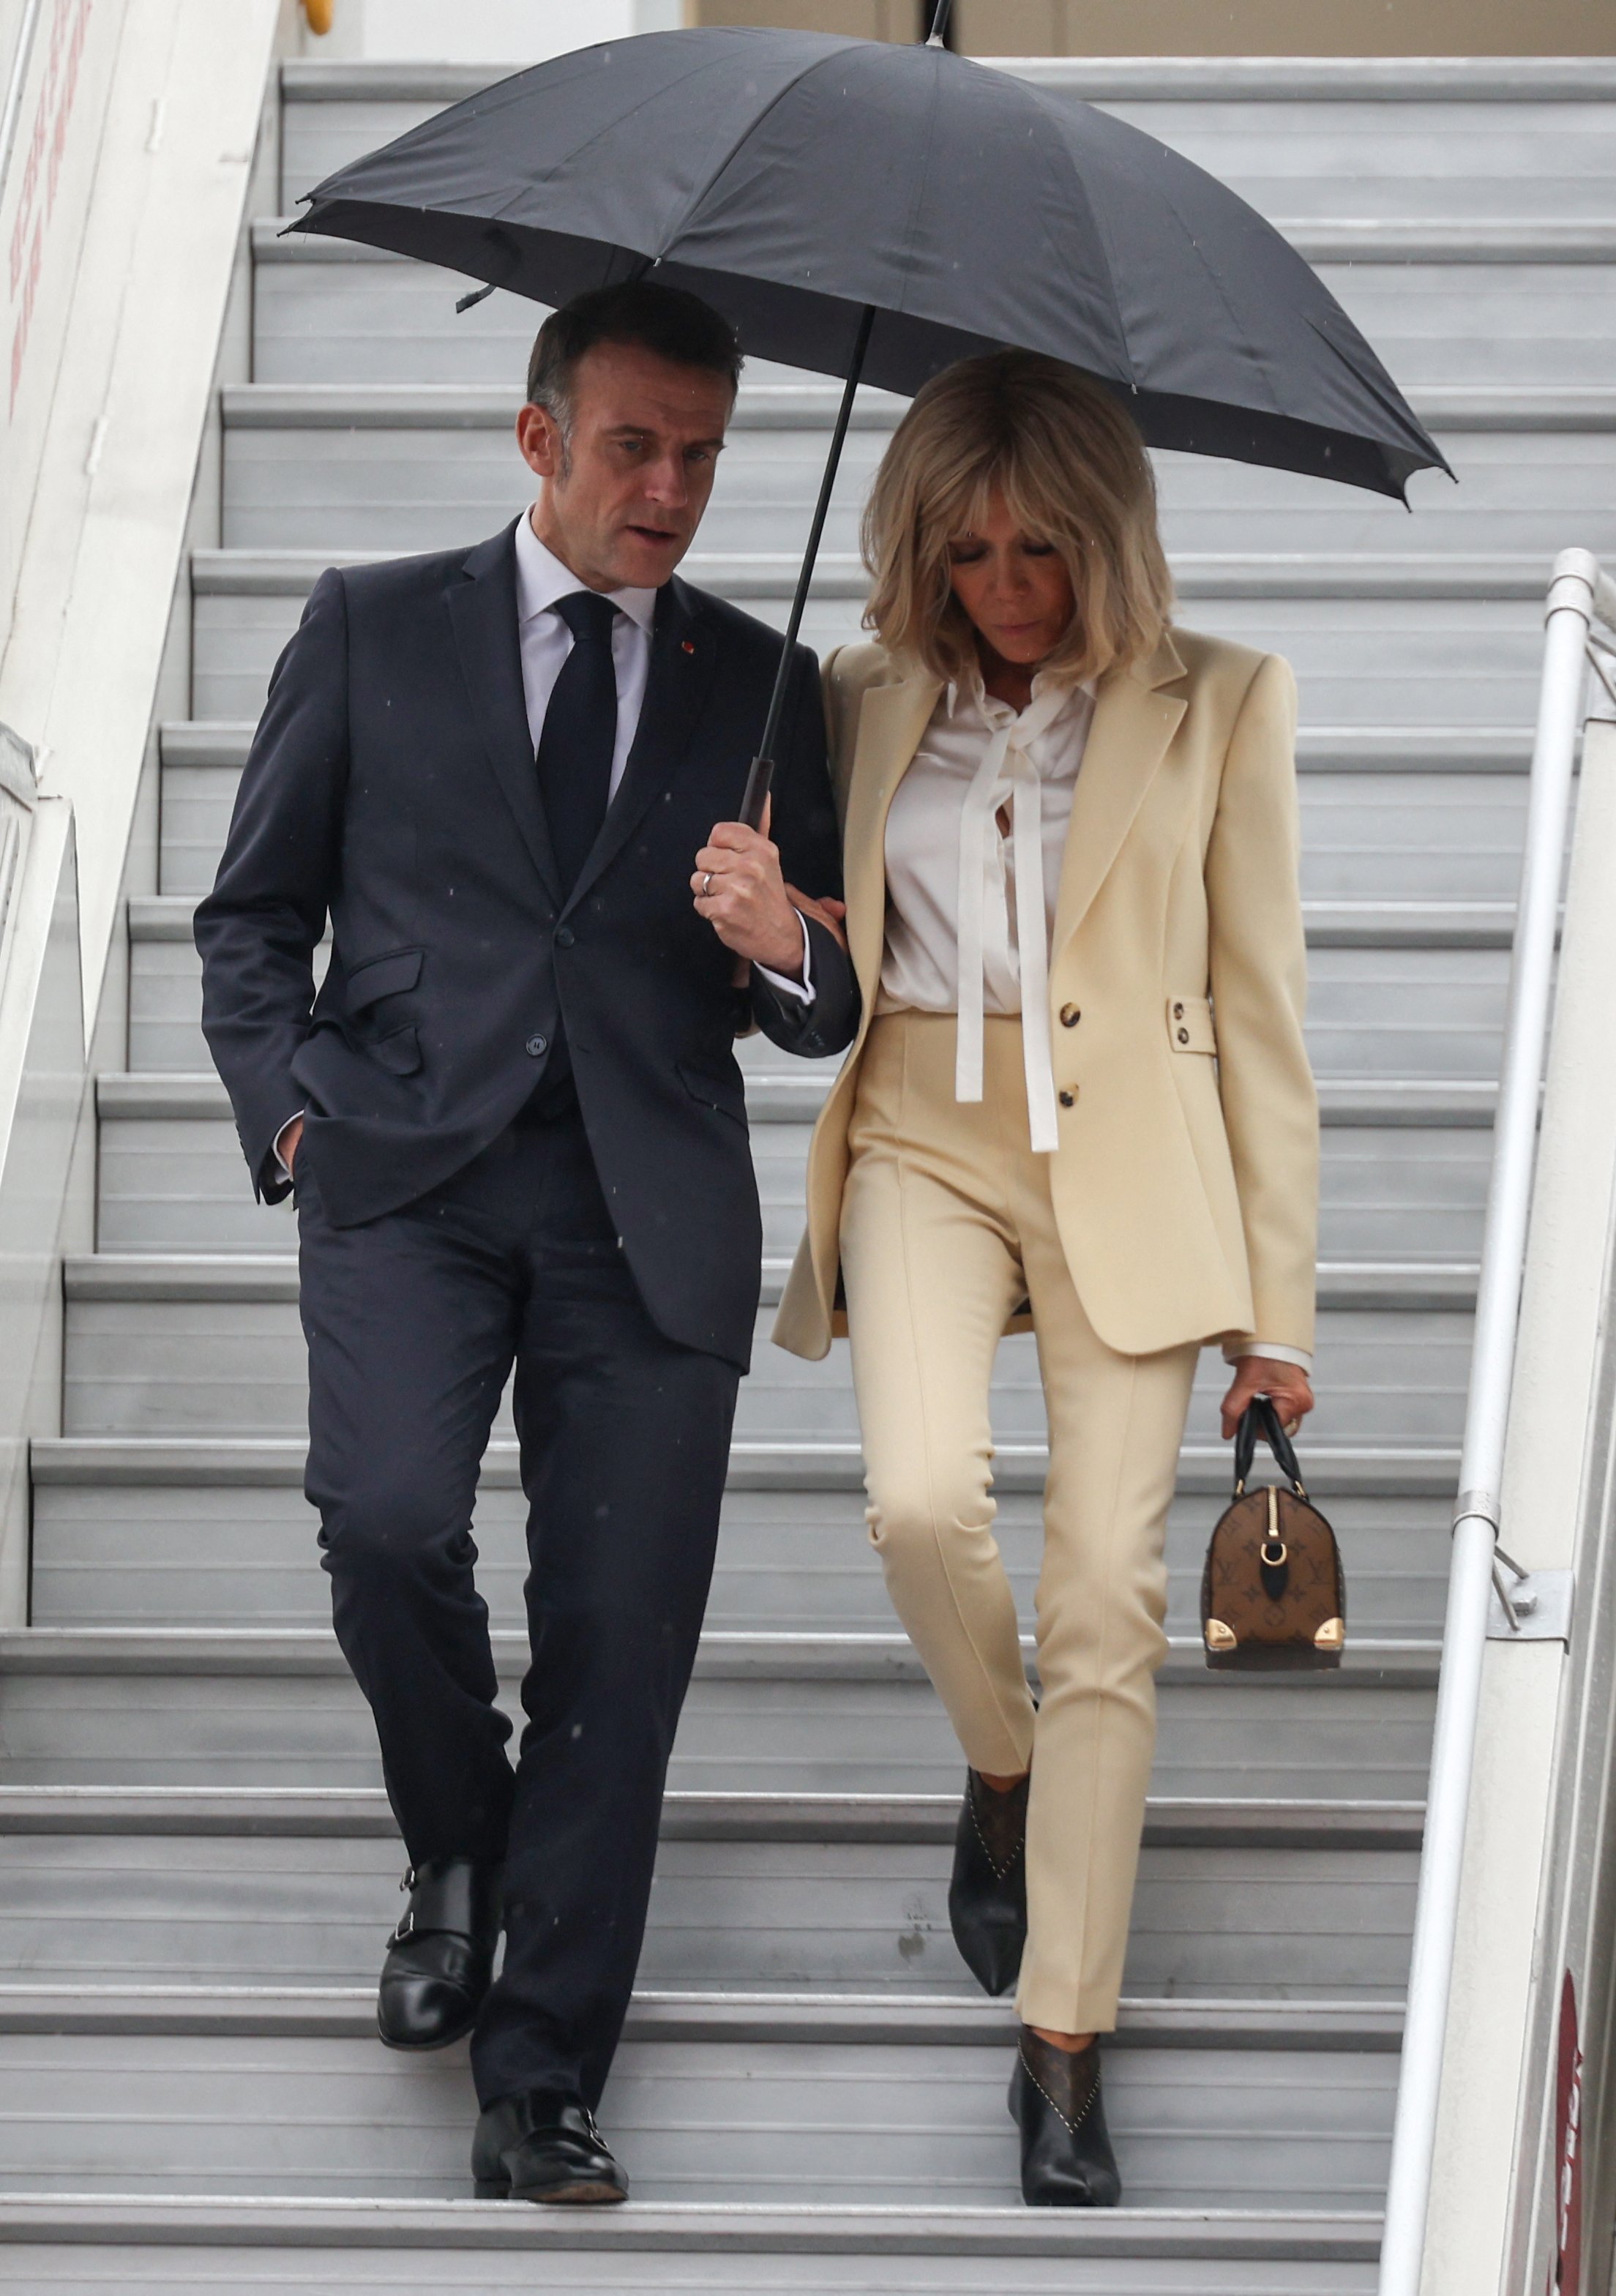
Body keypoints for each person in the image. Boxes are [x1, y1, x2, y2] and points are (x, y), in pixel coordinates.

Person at [195, 280, 858, 2205]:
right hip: (407, 1171)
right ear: (539, 435)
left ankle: (542, 2073)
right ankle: (461, 1843)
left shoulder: (765, 686)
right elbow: (252, 919)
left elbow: (825, 1006)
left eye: (701, 455)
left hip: (645, 1210)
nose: (670, 491)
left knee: (618, 1646)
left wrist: (784, 940)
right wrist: (292, 1116)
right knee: (388, 1523)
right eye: (634, 447)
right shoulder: (370, 625)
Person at [773, 350, 1317, 2207]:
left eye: (1039, 550)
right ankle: (999, 1763)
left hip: (1134, 1161)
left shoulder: (1221, 698)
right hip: (918, 1131)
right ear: (917, 548)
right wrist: (772, 927)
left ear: (1106, 538)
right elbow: (813, 959)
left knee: (1104, 1592)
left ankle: (1063, 2039)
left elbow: (1262, 1017)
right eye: (967, 551)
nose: (1004, 588)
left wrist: (1277, 1317)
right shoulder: (856, 694)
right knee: (922, 1504)